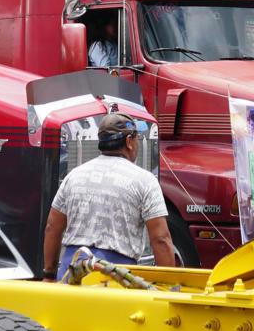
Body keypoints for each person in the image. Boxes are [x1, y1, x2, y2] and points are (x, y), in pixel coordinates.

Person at [42, 113, 179, 280]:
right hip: (115, 278)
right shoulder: (145, 181)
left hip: (71, 274)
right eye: (136, 138)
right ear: (129, 142)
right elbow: (161, 239)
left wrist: (49, 275)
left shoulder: (74, 176)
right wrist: (170, 285)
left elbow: (52, 227)